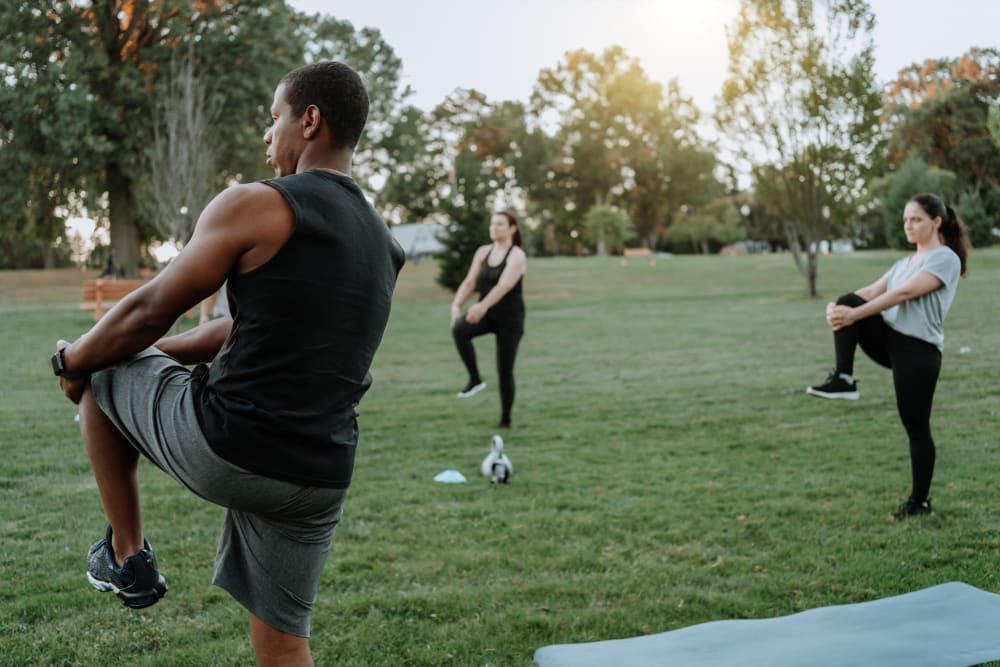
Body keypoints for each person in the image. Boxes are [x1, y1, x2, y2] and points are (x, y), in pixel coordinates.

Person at [52, 61, 405, 666]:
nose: (268, 137)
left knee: (105, 363)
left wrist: (73, 359)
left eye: (274, 119)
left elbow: (144, 312)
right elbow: (242, 327)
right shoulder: (383, 242)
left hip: (234, 446)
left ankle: (127, 555)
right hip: (320, 474)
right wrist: (145, 352)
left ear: (310, 120)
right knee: (284, 647)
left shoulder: (256, 205)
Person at [806, 193, 969, 521]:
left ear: (936, 222)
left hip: (919, 351)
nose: (908, 225)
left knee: (916, 427)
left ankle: (919, 502)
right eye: (906, 220)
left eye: (916, 220)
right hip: (892, 342)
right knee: (848, 299)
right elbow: (869, 293)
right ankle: (843, 378)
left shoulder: (944, 258)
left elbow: (904, 293)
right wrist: (838, 311)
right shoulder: (903, 263)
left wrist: (853, 317)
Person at [450, 211, 527, 428]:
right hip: (486, 315)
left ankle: (505, 420)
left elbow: (504, 285)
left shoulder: (517, 255)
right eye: (493, 223)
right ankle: (475, 379)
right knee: (459, 330)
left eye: (500, 224)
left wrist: (481, 306)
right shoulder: (483, 252)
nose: (494, 227)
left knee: (504, 369)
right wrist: (456, 304)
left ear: (512, 228)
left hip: (510, 319)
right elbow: (470, 282)